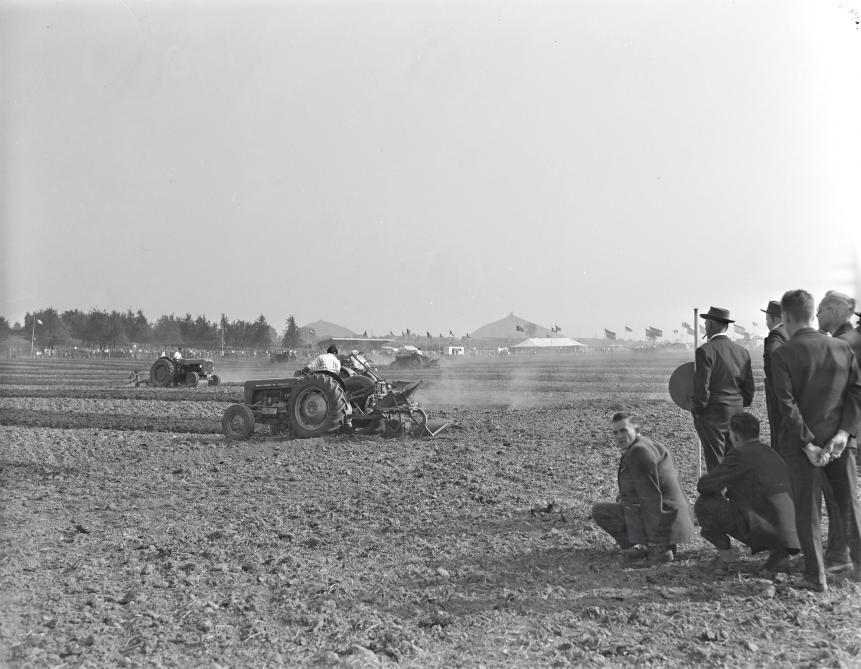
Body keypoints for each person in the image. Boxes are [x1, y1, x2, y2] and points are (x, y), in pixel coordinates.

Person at [771, 289, 861, 591]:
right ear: (812, 313)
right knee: (849, 504)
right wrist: (843, 433)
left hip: (801, 448)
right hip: (840, 444)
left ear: (786, 317)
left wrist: (807, 443)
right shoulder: (842, 348)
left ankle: (815, 575)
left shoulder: (782, 353)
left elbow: (786, 404)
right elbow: (856, 393)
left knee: (807, 512)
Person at [695, 412, 800, 574]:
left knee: (705, 503)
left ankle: (726, 559)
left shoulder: (740, 454)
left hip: (768, 530)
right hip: (792, 532)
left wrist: (707, 481)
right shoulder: (770, 452)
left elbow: (707, 487)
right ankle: (778, 555)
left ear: (735, 435)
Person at [591, 412, 695, 567]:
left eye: (624, 430)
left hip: (665, 514)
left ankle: (656, 549)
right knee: (625, 504)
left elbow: (651, 498)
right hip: (675, 516)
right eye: (615, 432)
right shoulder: (649, 444)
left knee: (601, 511)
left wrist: (656, 543)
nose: (619, 436)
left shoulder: (638, 452)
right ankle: (663, 544)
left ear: (637, 430)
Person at [815, 290, 861, 571]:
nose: (817, 313)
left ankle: (844, 555)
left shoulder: (843, 343)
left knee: (840, 495)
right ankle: (838, 552)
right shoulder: (849, 339)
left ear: (833, 311)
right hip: (847, 428)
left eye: (821, 307)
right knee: (841, 494)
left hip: (842, 431)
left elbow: (848, 393)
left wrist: (842, 431)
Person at [691, 307, 755, 472]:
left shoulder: (705, 351)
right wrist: (739, 404)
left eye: (706, 322)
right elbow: (749, 389)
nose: (705, 325)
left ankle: (719, 497)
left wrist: (697, 410)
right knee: (735, 461)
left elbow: (701, 388)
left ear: (711, 325)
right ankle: (736, 496)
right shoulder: (742, 352)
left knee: (716, 463)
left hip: (713, 414)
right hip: (737, 411)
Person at [761, 300, 788, 449]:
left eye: (766, 319)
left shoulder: (776, 335)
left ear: (772, 318)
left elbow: (771, 354)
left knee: (779, 437)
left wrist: (775, 384)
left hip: (778, 398)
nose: (766, 322)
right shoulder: (790, 332)